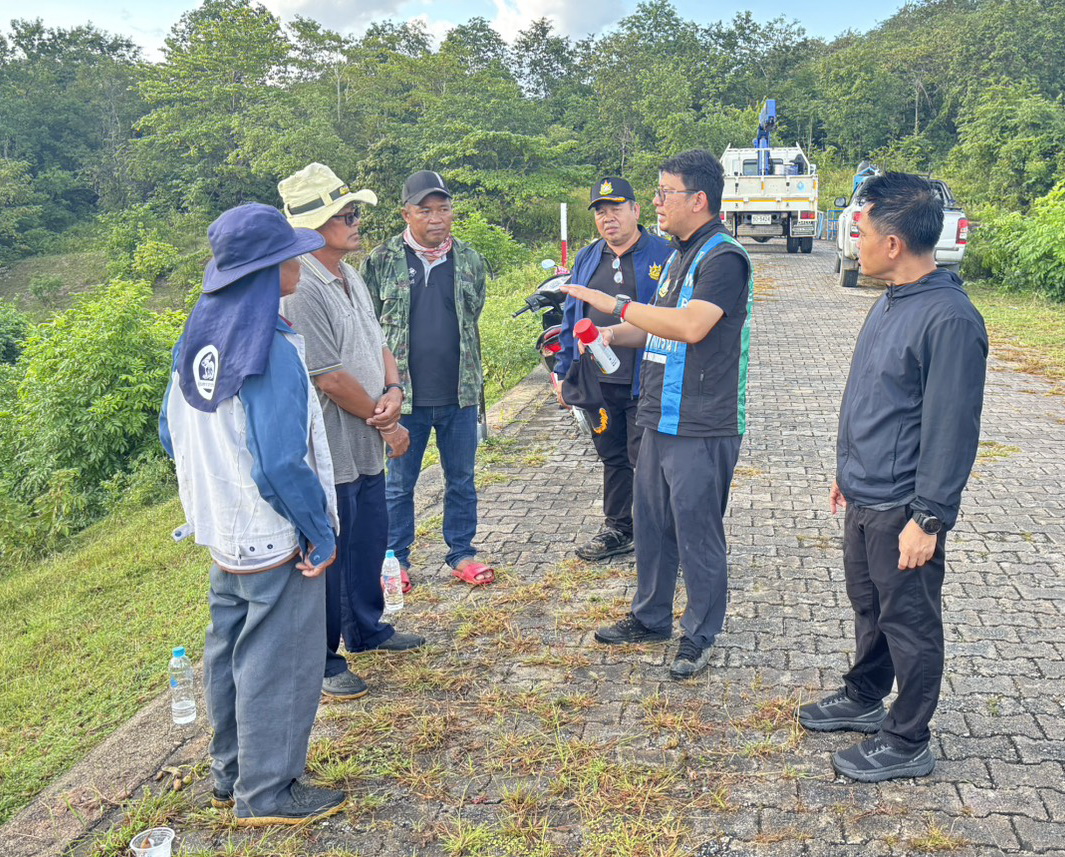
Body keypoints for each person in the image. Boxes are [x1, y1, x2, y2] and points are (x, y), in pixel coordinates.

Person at [159, 203, 347, 825]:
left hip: (222, 528)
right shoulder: (269, 345)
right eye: (290, 254)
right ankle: (267, 793)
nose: (300, 262)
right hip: (272, 533)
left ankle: (232, 772)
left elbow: (170, 431)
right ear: (268, 271)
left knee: (229, 651)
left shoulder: (198, 337)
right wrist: (317, 532)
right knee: (279, 661)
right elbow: (279, 462)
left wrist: (220, 487)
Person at [798, 172, 988, 782]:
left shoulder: (949, 319)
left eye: (861, 232)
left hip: (904, 504)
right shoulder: (891, 301)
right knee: (870, 606)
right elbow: (872, 397)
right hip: (865, 491)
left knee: (909, 622)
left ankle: (908, 739)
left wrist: (928, 518)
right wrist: (845, 471)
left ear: (894, 243)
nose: (854, 242)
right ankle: (864, 695)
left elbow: (951, 429)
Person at [562, 150, 754, 680]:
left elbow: (691, 326)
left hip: (702, 420)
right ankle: (650, 618)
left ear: (699, 199)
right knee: (651, 524)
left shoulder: (724, 258)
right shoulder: (676, 257)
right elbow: (657, 326)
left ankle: (700, 633)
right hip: (658, 413)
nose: (657, 202)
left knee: (696, 531)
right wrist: (610, 334)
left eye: (665, 192)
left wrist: (615, 304)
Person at [278, 163, 426, 703]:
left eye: (355, 212)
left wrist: (395, 388)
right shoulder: (301, 286)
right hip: (332, 447)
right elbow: (330, 378)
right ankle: (323, 660)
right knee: (331, 553)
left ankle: (366, 628)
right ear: (313, 225)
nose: (356, 221)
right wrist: (388, 422)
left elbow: (378, 342)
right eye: (345, 214)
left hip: (365, 438)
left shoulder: (349, 273)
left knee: (367, 540)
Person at [362, 170, 494, 587]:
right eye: (425, 210)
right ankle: (395, 560)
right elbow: (368, 326)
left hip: (459, 392)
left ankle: (462, 553)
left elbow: (473, 314)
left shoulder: (470, 259)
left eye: (443, 209)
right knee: (399, 484)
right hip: (403, 397)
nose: (436, 218)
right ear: (406, 214)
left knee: (462, 480)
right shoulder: (381, 260)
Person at [554, 177, 672, 562]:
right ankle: (619, 528)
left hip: (647, 380)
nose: (608, 218)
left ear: (636, 210)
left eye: (616, 209)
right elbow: (572, 315)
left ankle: (662, 537)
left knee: (649, 461)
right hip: (598, 383)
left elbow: (673, 319)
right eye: (601, 212)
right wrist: (564, 371)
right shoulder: (588, 257)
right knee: (612, 456)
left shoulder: (665, 254)